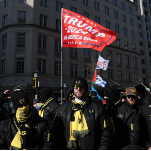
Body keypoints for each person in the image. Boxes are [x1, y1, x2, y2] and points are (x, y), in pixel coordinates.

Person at [52, 77, 113, 150]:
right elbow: (56, 134)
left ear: (86, 89)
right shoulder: (62, 110)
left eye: (81, 86)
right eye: (76, 86)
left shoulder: (98, 107)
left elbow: (106, 131)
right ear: (73, 89)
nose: (78, 89)